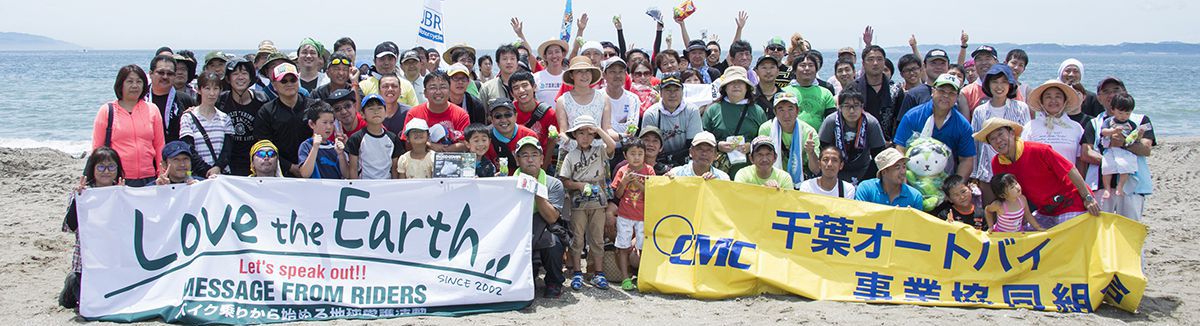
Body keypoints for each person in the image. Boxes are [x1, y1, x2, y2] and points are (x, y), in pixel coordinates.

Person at [975, 118, 1100, 228]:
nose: (998, 140)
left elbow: (1070, 170)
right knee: (1024, 237)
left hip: (1072, 203)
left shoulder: (1039, 150)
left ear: (1012, 133)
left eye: (1001, 134)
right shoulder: (997, 163)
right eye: (992, 139)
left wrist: (1088, 198)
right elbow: (1009, 195)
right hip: (1045, 211)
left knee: (1065, 238)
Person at [58, 147, 124, 308]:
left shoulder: (123, 192)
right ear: (92, 169)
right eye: (101, 167)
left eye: (111, 167)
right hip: (87, 261)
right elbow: (70, 226)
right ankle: (71, 282)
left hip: (114, 260)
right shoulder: (82, 194)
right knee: (81, 302)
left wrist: (123, 198)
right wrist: (78, 200)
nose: (106, 171)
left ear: (118, 169)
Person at [558, 115, 616, 291]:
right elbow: (564, 180)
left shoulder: (599, 151)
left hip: (598, 201)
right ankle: (577, 272)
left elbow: (612, 146)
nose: (585, 137)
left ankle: (598, 273)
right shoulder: (570, 155)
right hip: (578, 201)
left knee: (597, 238)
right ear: (574, 135)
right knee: (577, 238)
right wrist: (580, 185)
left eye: (588, 133)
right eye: (580, 133)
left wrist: (598, 129)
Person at [92, 64, 164, 187]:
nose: (135, 86)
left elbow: (159, 145)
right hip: (118, 178)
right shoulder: (107, 111)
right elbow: (97, 148)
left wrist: (161, 173)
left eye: (139, 81)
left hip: (149, 177)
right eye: (129, 81)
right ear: (121, 84)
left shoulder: (152, 109)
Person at [893, 74, 977, 179]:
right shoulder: (912, 116)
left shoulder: (963, 125)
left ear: (957, 97)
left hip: (946, 181)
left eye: (951, 93)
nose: (946, 96)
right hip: (912, 178)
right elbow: (900, 149)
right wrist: (904, 181)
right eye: (941, 91)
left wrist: (954, 188)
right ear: (933, 91)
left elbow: (966, 160)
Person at [513, 136, 567, 298]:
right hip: (517, 229)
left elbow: (552, 218)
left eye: (534, 155)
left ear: (542, 159)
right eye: (524, 155)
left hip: (544, 226)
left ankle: (553, 281)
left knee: (555, 242)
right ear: (517, 160)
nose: (530, 160)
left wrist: (536, 191)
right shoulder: (507, 181)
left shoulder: (553, 184)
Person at [969, 64, 1030, 203]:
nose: (999, 86)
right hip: (987, 172)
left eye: (1004, 82)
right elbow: (976, 143)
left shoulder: (1021, 108)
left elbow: (1026, 139)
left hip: (1015, 171)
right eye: (995, 82)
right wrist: (974, 174)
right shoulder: (980, 111)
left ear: (1010, 85)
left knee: (1016, 213)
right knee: (991, 212)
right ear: (988, 85)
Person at [704, 66, 767, 174]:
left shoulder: (758, 111)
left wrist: (752, 146)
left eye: (740, 82)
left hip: (751, 171)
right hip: (719, 171)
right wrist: (718, 146)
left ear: (747, 87)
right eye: (732, 82)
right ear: (725, 87)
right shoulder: (713, 110)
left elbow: (766, 139)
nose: (736, 85)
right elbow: (702, 138)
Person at [609, 138, 653, 291]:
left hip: (643, 217)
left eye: (640, 153)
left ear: (645, 155)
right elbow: (618, 194)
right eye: (633, 153)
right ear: (625, 155)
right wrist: (624, 181)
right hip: (624, 216)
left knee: (643, 247)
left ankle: (642, 276)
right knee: (623, 246)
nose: (637, 157)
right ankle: (625, 277)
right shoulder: (622, 171)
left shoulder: (649, 170)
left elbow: (651, 194)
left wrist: (637, 183)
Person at [254, 62, 312, 177]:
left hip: (313, 169)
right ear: (274, 85)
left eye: (293, 80)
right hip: (280, 172)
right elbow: (264, 145)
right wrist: (290, 167)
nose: (289, 84)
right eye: (283, 81)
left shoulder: (314, 107)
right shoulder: (266, 112)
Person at [819, 89, 886, 185]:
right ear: (839, 107)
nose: (852, 111)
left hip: (863, 170)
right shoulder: (831, 121)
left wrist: (866, 180)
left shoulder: (871, 123)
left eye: (856, 105)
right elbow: (822, 149)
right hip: (835, 169)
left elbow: (879, 154)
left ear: (862, 107)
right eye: (847, 106)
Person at [639, 73, 703, 167]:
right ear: (660, 93)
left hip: (686, 160)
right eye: (668, 90)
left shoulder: (692, 111)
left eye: (676, 90)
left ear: (682, 91)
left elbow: (693, 144)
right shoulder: (651, 114)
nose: (672, 94)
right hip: (658, 160)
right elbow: (648, 145)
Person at [218, 58, 268, 176]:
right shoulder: (221, 100)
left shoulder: (262, 99)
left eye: (244, 73)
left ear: (251, 78)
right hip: (228, 161)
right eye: (235, 74)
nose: (240, 77)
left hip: (255, 161)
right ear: (228, 79)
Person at [1023, 80, 1085, 172]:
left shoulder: (1076, 127)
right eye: (1048, 97)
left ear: (1065, 101)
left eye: (1058, 96)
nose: (1053, 100)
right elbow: (1024, 158)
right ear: (1041, 102)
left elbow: (1081, 160)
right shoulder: (1031, 126)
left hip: (1069, 183)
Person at [179, 71, 233, 179]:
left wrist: (218, 167)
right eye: (207, 88)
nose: (212, 93)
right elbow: (188, 148)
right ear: (199, 90)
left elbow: (227, 150)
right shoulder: (188, 117)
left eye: (216, 89)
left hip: (221, 175)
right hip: (198, 177)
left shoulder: (225, 118)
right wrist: (206, 171)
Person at [556, 56, 616, 152]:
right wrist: (560, 138)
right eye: (579, 71)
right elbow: (563, 131)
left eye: (587, 71)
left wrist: (623, 135)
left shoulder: (603, 97)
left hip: (597, 153)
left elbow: (607, 129)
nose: (584, 75)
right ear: (571, 75)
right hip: (571, 153)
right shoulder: (562, 100)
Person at [759, 92, 819, 187]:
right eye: (781, 110)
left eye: (790, 109)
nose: (786, 115)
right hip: (773, 180)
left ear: (797, 111)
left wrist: (811, 153)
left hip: (801, 181)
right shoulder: (766, 129)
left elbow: (816, 169)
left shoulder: (809, 132)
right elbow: (761, 161)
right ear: (774, 112)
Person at [404, 71, 472, 152]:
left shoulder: (461, 114)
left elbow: (466, 144)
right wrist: (431, 146)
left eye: (443, 87)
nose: (438, 92)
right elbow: (407, 143)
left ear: (450, 91)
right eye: (433, 88)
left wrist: (443, 149)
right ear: (425, 93)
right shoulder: (414, 114)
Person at [345, 95, 402, 179]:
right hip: (365, 186)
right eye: (371, 109)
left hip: (387, 186)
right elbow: (353, 168)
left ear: (385, 112)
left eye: (379, 108)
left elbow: (394, 168)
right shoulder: (356, 138)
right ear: (362, 114)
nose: (376, 112)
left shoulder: (393, 138)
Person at [852, 46, 901, 139]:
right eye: (870, 59)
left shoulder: (896, 90)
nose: (875, 63)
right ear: (863, 63)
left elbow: (900, 120)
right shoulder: (853, 88)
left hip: (889, 144)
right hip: (859, 143)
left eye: (879, 59)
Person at [509, 72, 558, 164]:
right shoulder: (508, 112)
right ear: (512, 93)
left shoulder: (549, 114)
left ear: (534, 87)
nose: (521, 90)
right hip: (514, 163)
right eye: (516, 88)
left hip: (539, 163)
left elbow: (551, 143)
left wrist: (543, 169)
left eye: (525, 85)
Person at [1099, 93, 1141, 198]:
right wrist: (1113, 131)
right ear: (1113, 110)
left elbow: (1134, 138)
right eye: (1120, 113)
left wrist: (1138, 135)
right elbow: (1103, 131)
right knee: (1106, 168)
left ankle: (1120, 187)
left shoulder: (1131, 124)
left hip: (1124, 150)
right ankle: (1107, 188)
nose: (1123, 116)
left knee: (1125, 167)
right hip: (1110, 149)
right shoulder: (1109, 121)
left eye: (1127, 113)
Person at [147, 54, 197, 143]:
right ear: (151, 74)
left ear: (174, 76)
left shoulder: (185, 99)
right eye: (161, 72)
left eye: (170, 73)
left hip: (177, 154)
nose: (165, 77)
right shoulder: (141, 99)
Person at [853, 147, 924, 210]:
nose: (903, 172)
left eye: (904, 166)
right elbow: (859, 216)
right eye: (897, 167)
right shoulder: (866, 188)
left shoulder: (915, 197)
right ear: (884, 172)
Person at [784, 51, 838, 131]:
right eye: (802, 65)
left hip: (819, 139)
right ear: (794, 70)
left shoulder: (825, 93)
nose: (807, 68)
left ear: (816, 70)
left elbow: (831, 120)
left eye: (811, 65)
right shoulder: (784, 92)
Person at [484, 99, 540, 175]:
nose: (503, 120)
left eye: (508, 115)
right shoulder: (484, 138)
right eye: (498, 116)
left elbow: (536, 167)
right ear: (491, 119)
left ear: (516, 116)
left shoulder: (529, 135)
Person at [297, 102, 349, 179]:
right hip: (315, 189)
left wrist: (341, 154)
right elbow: (304, 174)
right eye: (324, 122)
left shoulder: (334, 147)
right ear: (312, 124)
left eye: (331, 123)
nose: (329, 127)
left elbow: (346, 175)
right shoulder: (306, 145)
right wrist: (315, 148)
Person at [360, 42, 419, 106]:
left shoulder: (406, 85)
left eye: (390, 59)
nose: (386, 63)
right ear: (374, 61)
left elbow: (415, 111)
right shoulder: (363, 86)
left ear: (396, 61)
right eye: (382, 59)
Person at [602, 57, 641, 146]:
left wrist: (608, 127)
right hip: (602, 149)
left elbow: (632, 130)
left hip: (625, 149)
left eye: (621, 72)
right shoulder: (597, 97)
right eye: (612, 72)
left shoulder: (633, 99)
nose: (618, 76)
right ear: (604, 75)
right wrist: (621, 127)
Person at [666, 132, 730, 180]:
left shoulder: (723, 178)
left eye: (709, 150)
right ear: (691, 152)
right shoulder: (676, 174)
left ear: (715, 155)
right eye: (699, 149)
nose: (704, 153)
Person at [959, 45, 1001, 114]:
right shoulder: (966, 92)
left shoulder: (1008, 87)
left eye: (988, 59)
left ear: (997, 62)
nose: (984, 63)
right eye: (979, 59)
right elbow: (965, 123)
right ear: (974, 64)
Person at [534, 39, 569, 105]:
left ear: (563, 54)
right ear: (545, 57)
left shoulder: (569, 78)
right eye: (550, 53)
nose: (554, 56)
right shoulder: (536, 77)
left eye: (557, 52)